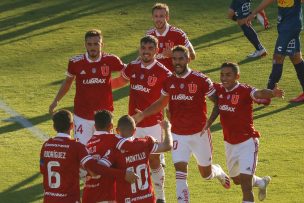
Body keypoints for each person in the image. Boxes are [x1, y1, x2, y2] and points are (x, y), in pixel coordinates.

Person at [133, 45, 230, 202]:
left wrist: (210, 122)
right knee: (180, 174)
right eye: (174, 59)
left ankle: (217, 171)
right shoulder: (169, 81)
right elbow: (161, 102)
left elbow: (218, 102)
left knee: (205, 175)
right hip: (178, 134)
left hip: (199, 134)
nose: (177, 62)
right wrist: (143, 114)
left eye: (180, 58)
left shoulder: (201, 80)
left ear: (188, 59)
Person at [204, 62, 284, 203]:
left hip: (247, 143)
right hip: (229, 143)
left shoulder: (245, 90)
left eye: (228, 75)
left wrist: (272, 93)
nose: (224, 78)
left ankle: (254, 186)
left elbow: (259, 93)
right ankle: (261, 182)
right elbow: (201, 80)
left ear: (237, 76)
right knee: (236, 180)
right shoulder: (219, 89)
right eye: (222, 74)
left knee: (246, 188)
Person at [111, 35, 172, 202]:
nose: (146, 52)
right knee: (131, 160)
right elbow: (119, 81)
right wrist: (100, 86)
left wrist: (143, 114)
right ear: (139, 49)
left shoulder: (163, 72)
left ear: (156, 50)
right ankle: (133, 195)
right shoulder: (133, 67)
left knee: (153, 160)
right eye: (143, 49)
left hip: (153, 124)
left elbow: (164, 101)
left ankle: (160, 196)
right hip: (133, 125)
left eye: (150, 49)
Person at [39, 110, 138, 203]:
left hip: (50, 199)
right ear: (72, 126)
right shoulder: (77, 146)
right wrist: (123, 174)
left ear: (54, 127)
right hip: (71, 199)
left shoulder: (46, 145)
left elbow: (43, 170)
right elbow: (94, 171)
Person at [49, 29, 126, 144]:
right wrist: (56, 101)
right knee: (82, 151)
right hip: (82, 116)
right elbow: (67, 82)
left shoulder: (111, 60)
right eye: (89, 44)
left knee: (104, 152)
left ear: (102, 45)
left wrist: (110, 84)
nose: (92, 47)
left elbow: (129, 72)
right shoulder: (75, 62)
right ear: (85, 44)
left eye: (96, 44)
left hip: (104, 116)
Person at [83, 110, 155, 203]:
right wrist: (149, 141)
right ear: (111, 127)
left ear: (95, 126)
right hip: (105, 196)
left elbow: (90, 171)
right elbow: (131, 145)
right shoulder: (113, 139)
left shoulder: (87, 145)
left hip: (88, 195)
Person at [100, 115, 173, 203]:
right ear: (135, 131)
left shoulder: (114, 150)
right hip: (147, 199)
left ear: (117, 130)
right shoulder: (145, 143)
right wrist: (167, 128)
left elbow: (98, 169)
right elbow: (167, 146)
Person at [247, 0, 304, 103]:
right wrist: (255, 12)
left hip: (289, 27)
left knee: (278, 57)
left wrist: (255, 12)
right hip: (285, 24)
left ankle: (267, 95)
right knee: (295, 57)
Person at [146, 3, 196, 71]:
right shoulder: (149, 35)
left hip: (174, 77)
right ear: (152, 18)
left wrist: (173, 54)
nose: (158, 19)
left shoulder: (178, 34)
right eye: (156, 16)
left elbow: (192, 55)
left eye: (161, 16)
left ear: (167, 17)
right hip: (155, 76)